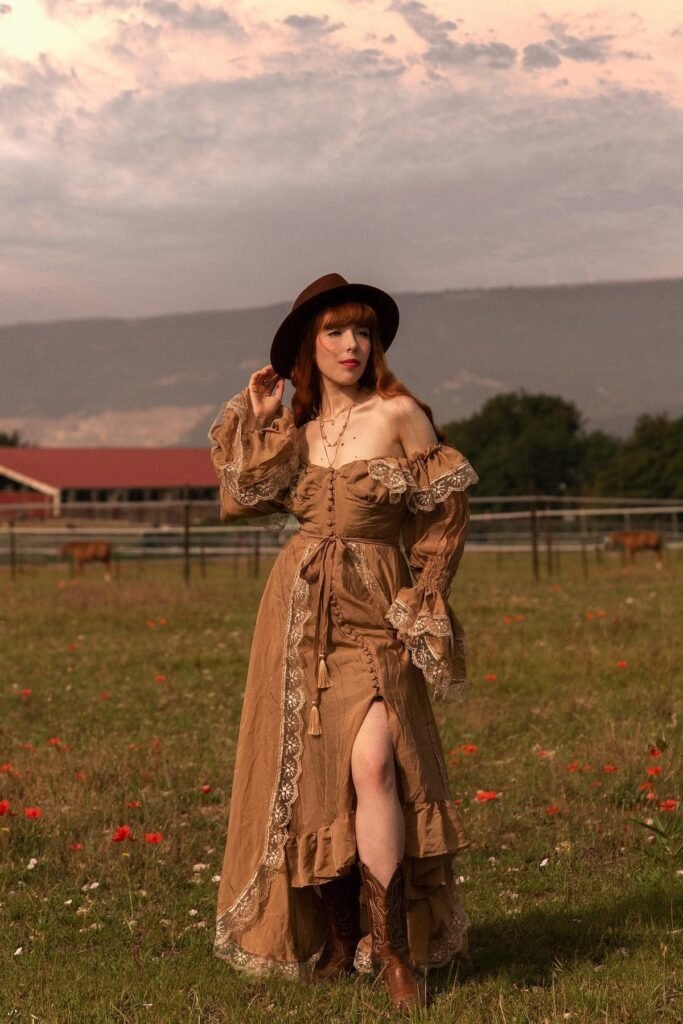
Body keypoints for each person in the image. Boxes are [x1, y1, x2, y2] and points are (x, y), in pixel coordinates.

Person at [208, 273, 478, 1013]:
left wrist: (421, 602)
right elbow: (240, 498)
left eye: (362, 331)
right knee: (315, 776)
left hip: (376, 612)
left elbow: (444, 519)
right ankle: (333, 940)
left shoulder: (400, 414)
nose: (352, 344)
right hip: (298, 616)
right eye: (335, 331)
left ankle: (392, 953)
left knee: (375, 764)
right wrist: (261, 416)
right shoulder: (293, 433)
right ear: (308, 345)